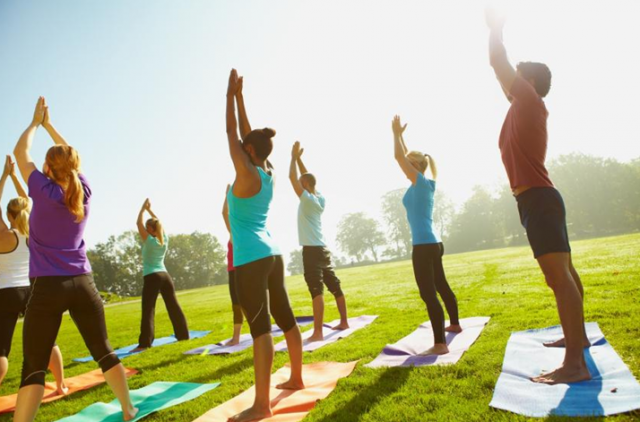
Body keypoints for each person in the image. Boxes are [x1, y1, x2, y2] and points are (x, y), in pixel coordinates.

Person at [12, 97, 137, 422]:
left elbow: (19, 153)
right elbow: (71, 157)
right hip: (83, 283)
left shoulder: (43, 189)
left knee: (34, 365)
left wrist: (35, 123)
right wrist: (51, 126)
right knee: (104, 351)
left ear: (49, 169)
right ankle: (128, 408)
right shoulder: (84, 189)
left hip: (47, 288)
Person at [486, 9, 591, 384]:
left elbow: (498, 62)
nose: (508, 80)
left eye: (516, 74)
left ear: (527, 81)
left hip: (540, 201)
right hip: (540, 200)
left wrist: (495, 28)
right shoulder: (522, 106)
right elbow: (501, 73)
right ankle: (577, 340)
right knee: (566, 275)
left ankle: (574, 364)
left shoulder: (528, 100)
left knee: (558, 279)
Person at [225, 69, 304, 422]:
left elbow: (232, 132)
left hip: (251, 259)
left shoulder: (245, 170)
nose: (241, 146)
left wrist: (228, 96)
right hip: (273, 254)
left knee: (260, 329)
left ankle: (261, 405)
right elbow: (246, 134)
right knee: (284, 316)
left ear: (250, 150)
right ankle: (297, 378)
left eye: (245, 146)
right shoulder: (266, 169)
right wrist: (241, 97)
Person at [391, 115, 461, 356]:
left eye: (409, 165)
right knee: (440, 284)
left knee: (428, 293)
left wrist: (394, 134)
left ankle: (440, 343)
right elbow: (407, 156)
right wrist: (401, 136)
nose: (404, 167)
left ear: (416, 167)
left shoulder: (420, 182)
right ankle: (454, 323)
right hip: (433, 242)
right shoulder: (422, 183)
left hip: (423, 245)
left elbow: (400, 157)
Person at [0, 155, 67, 394]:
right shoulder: (34, 233)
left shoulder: (3, 235)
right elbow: (29, 201)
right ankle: (60, 385)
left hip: (5, 294)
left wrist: (4, 176)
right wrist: (15, 176)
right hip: (32, 290)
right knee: (47, 339)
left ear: (8, 216)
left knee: (1, 349)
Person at [288, 141, 349, 342]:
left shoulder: (306, 199)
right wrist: (299, 159)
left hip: (312, 251)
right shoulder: (319, 198)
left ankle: (318, 333)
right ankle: (344, 321)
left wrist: (291, 157)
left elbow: (292, 178)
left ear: (305, 185)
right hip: (322, 248)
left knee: (316, 289)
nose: (299, 182)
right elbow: (308, 179)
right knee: (334, 284)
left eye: (301, 182)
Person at [132, 199, 190, 352]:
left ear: (151, 229)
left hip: (152, 276)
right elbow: (159, 224)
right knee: (173, 306)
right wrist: (150, 211)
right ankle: (183, 335)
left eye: (147, 227)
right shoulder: (164, 240)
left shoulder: (150, 241)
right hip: (165, 276)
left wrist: (142, 209)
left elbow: (138, 223)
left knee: (148, 309)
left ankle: (145, 343)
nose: (144, 229)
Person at [222, 184, 244, 346]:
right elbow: (225, 214)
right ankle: (236, 337)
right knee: (239, 304)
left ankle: (237, 338)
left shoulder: (236, 232)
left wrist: (227, 195)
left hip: (238, 271)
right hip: (235, 271)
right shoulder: (237, 231)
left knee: (239, 304)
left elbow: (224, 213)